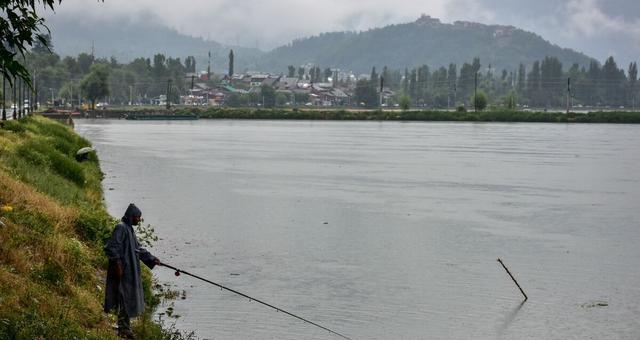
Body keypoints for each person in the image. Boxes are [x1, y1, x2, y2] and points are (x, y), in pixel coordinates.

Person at [104, 203, 160, 339]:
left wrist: (152, 259)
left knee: (127, 298)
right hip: (123, 272)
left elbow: (138, 249)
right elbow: (112, 248)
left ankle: (125, 328)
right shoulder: (121, 228)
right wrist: (118, 265)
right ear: (131, 217)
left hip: (130, 272)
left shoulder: (129, 229)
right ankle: (123, 329)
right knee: (124, 298)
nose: (139, 220)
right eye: (138, 218)